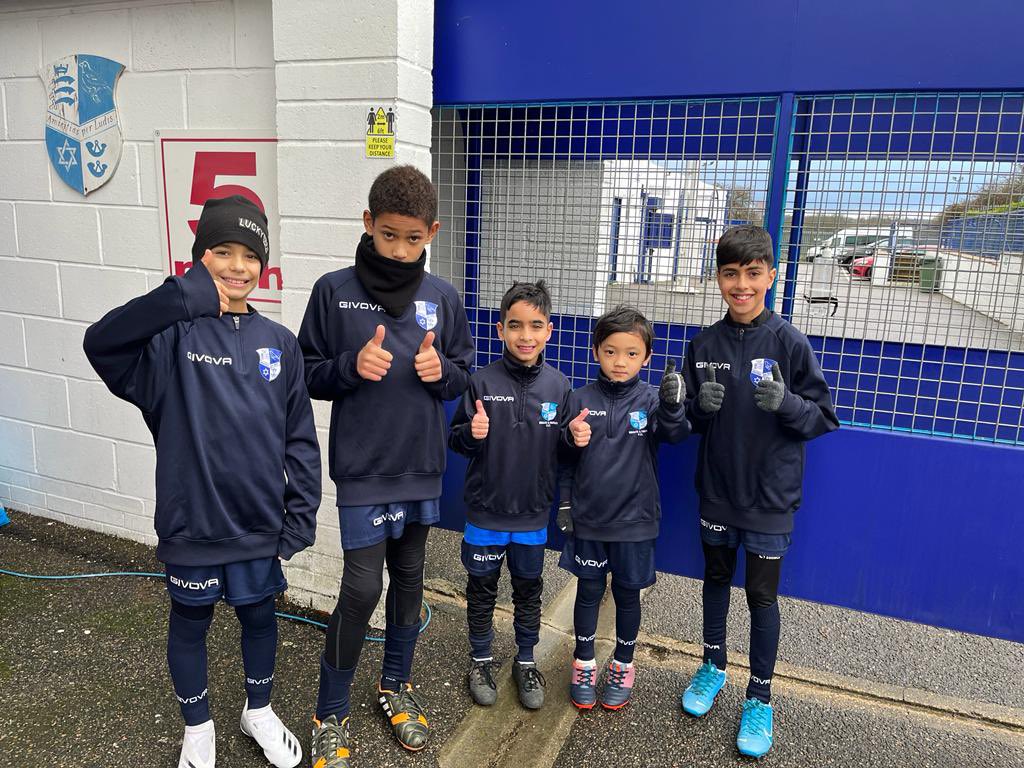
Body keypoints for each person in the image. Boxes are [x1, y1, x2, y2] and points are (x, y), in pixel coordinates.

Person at [84, 195, 321, 768]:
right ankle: (198, 726)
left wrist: (300, 514)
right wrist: (178, 299)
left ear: (263, 266)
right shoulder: (170, 342)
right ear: (199, 258)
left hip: (258, 529)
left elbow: (301, 439)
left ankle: (257, 710)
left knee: (260, 619)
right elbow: (100, 344)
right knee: (189, 626)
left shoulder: (280, 344)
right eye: (221, 252)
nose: (237, 266)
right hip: (193, 526)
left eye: (249, 255)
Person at [299, 165, 474, 768]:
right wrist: (349, 366)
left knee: (408, 583)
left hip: (421, 466)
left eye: (413, 239)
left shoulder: (443, 297)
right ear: (368, 223)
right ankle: (329, 711)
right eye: (389, 235)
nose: (400, 251)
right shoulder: (333, 289)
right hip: (364, 470)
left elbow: (463, 372)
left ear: (432, 233)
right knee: (361, 588)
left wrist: (441, 376)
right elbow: (306, 371)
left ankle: (394, 686)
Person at [679, 224, 839, 758]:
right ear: (719, 278)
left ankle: (761, 696)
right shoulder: (703, 344)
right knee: (716, 581)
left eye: (752, 273)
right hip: (719, 493)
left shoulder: (790, 342)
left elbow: (823, 418)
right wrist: (699, 406)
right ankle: (713, 665)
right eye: (730, 274)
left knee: (762, 596)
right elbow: (690, 425)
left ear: (771, 276)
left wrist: (788, 404)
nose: (741, 285)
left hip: (770, 501)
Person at [558, 305, 690, 711]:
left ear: (646, 357)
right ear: (596, 350)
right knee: (589, 591)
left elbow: (676, 434)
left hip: (636, 522)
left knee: (628, 596)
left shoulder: (651, 400)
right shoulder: (578, 398)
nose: (620, 361)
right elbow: (563, 459)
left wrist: (671, 406)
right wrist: (569, 440)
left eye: (632, 353)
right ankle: (583, 662)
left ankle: (623, 664)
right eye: (611, 351)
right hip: (590, 521)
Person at [449, 281, 570, 710]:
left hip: (532, 516)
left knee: (528, 590)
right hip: (485, 513)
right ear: (500, 330)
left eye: (535, 326)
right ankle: (480, 660)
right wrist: (471, 433)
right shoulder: (481, 381)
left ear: (549, 331)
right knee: (481, 590)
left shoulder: (559, 387)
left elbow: (567, 450)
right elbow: (457, 440)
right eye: (515, 325)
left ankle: (525, 661)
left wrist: (578, 437)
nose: (525, 335)